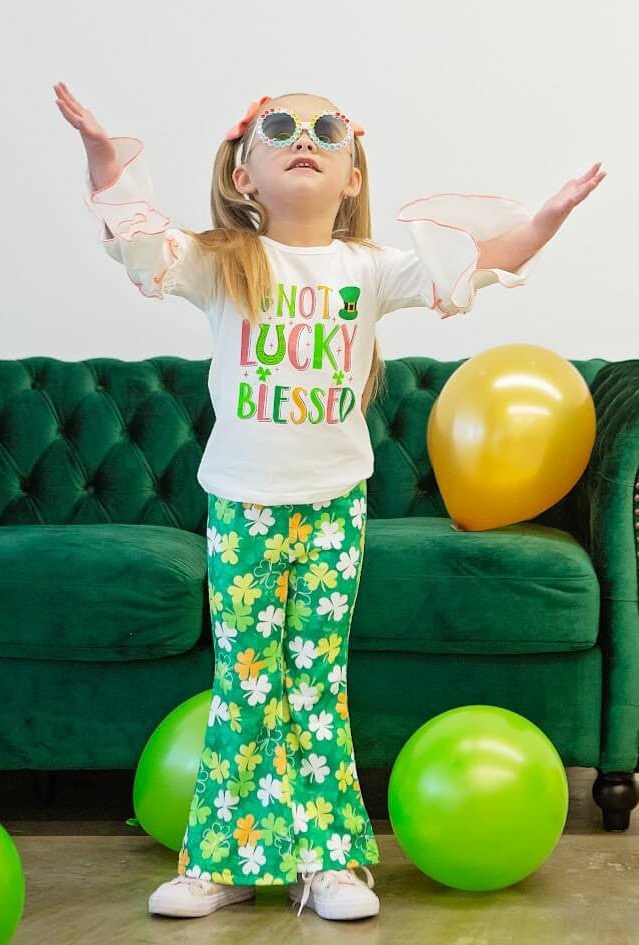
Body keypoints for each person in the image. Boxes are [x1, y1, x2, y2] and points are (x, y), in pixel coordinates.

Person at [54, 82, 604, 922]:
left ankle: (330, 859)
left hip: (333, 510)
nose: (304, 137)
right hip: (242, 506)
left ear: (352, 176)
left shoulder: (368, 269)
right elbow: (133, 234)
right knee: (246, 683)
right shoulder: (222, 261)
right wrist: (101, 151)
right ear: (244, 174)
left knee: (316, 681)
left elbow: (486, 260)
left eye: (327, 129)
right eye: (280, 127)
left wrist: (550, 215)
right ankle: (221, 859)